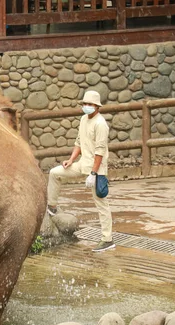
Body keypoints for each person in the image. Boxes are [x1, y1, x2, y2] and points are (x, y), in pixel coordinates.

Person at [46, 90, 115, 253]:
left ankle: (107, 239)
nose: (86, 107)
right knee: (55, 173)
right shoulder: (84, 119)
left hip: (97, 169)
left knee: (102, 204)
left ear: (97, 107)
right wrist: (70, 160)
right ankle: (52, 207)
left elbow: (100, 151)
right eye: (85, 104)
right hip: (82, 163)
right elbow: (78, 142)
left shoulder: (100, 124)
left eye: (90, 104)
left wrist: (93, 173)